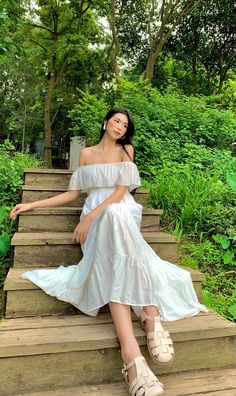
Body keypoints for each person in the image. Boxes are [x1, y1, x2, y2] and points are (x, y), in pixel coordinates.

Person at [10, 108, 207, 396]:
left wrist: (88, 219)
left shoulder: (127, 149)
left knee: (115, 215)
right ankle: (143, 328)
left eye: (125, 124)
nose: (119, 126)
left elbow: (119, 192)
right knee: (112, 229)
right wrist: (31, 206)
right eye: (116, 120)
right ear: (105, 122)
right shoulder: (87, 154)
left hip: (120, 211)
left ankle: (140, 335)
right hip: (96, 216)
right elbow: (73, 194)